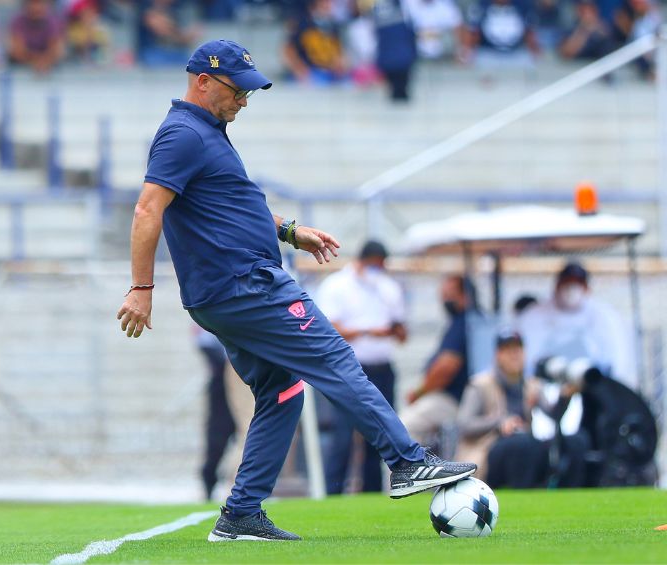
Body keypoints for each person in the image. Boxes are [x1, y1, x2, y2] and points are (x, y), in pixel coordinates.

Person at [116, 39, 477, 542]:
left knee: (282, 391)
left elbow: (231, 205)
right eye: (236, 89)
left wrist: (289, 231)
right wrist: (140, 287)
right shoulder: (183, 134)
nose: (244, 99)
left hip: (227, 292)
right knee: (336, 361)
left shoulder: (205, 132)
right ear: (202, 81)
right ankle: (407, 462)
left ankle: (241, 513)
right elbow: (146, 210)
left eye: (249, 91)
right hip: (247, 285)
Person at [316, 239, 409, 494]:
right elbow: (327, 329)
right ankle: (333, 492)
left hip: (382, 368)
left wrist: (391, 329)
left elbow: (401, 332)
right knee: (343, 434)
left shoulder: (388, 288)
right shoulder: (337, 286)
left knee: (379, 436)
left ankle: (372, 493)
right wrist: (367, 331)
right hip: (349, 369)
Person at [456, 330, 588, 488]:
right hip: (489, 449)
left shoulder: (531, 385)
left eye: (518, 350)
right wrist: (499, 422)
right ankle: (521, 492)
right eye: (508, 350)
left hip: (526, 446)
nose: (514, 355)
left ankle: (569, 492)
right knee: (522, 444)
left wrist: (564, 397)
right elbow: (464, 425)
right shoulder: (480, 385)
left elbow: (554, 415)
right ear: (498, 355)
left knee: (576, 441)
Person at [517, 261, 637, 390]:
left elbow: (616, 359)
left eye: (577, 283)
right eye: (567, 283)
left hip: (592, 388)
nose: (571, 289)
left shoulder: (604, 316)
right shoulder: (534, 316)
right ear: (557, 286)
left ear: (586, 287)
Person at [400, 274, 471, 446]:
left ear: (465, 296)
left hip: (453, 398)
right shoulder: (464, 321)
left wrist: (419, 392)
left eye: (450, 295)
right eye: (443, 295)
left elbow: (446, 368)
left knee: (403, 428)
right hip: (452, 398)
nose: (446, 300)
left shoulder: (464, 322)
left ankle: (407, 473)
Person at [195, 327, 237, 501]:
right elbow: (204, 343)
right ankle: (209, 480)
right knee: (218, 434)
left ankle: (237, 486)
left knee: (246, 432)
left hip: (244, 376)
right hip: (224, 380)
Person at [282, 0, 347, 84]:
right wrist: (299, 69)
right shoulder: (302, 24)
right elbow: (288, 50)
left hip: (330, 72)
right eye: (325, 3)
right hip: (311, 72)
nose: (329, 5)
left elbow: (340, 53)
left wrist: (339, 65)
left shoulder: (333, 26)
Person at [8, 0, 65, 74]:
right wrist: (36, 61)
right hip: (21, 69)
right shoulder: (18, 21)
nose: (36, 7)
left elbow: (57, 51)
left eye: (40, 3)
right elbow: (17, 52)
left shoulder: (54, 21)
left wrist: (44, 61)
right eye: (33, 3)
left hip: (50, 70)